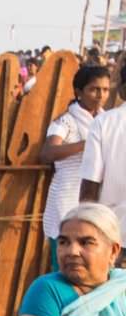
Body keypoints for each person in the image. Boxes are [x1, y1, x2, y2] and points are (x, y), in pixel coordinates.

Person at [43, 65, 112, 265]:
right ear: (78, 92)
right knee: (65, 260)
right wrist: (87, 144)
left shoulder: (106, 120)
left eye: (105, 90)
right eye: (94, 89)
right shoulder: (66, 121)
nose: (100, 95)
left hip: (96, 198)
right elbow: (48, 153)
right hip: (67, 196)